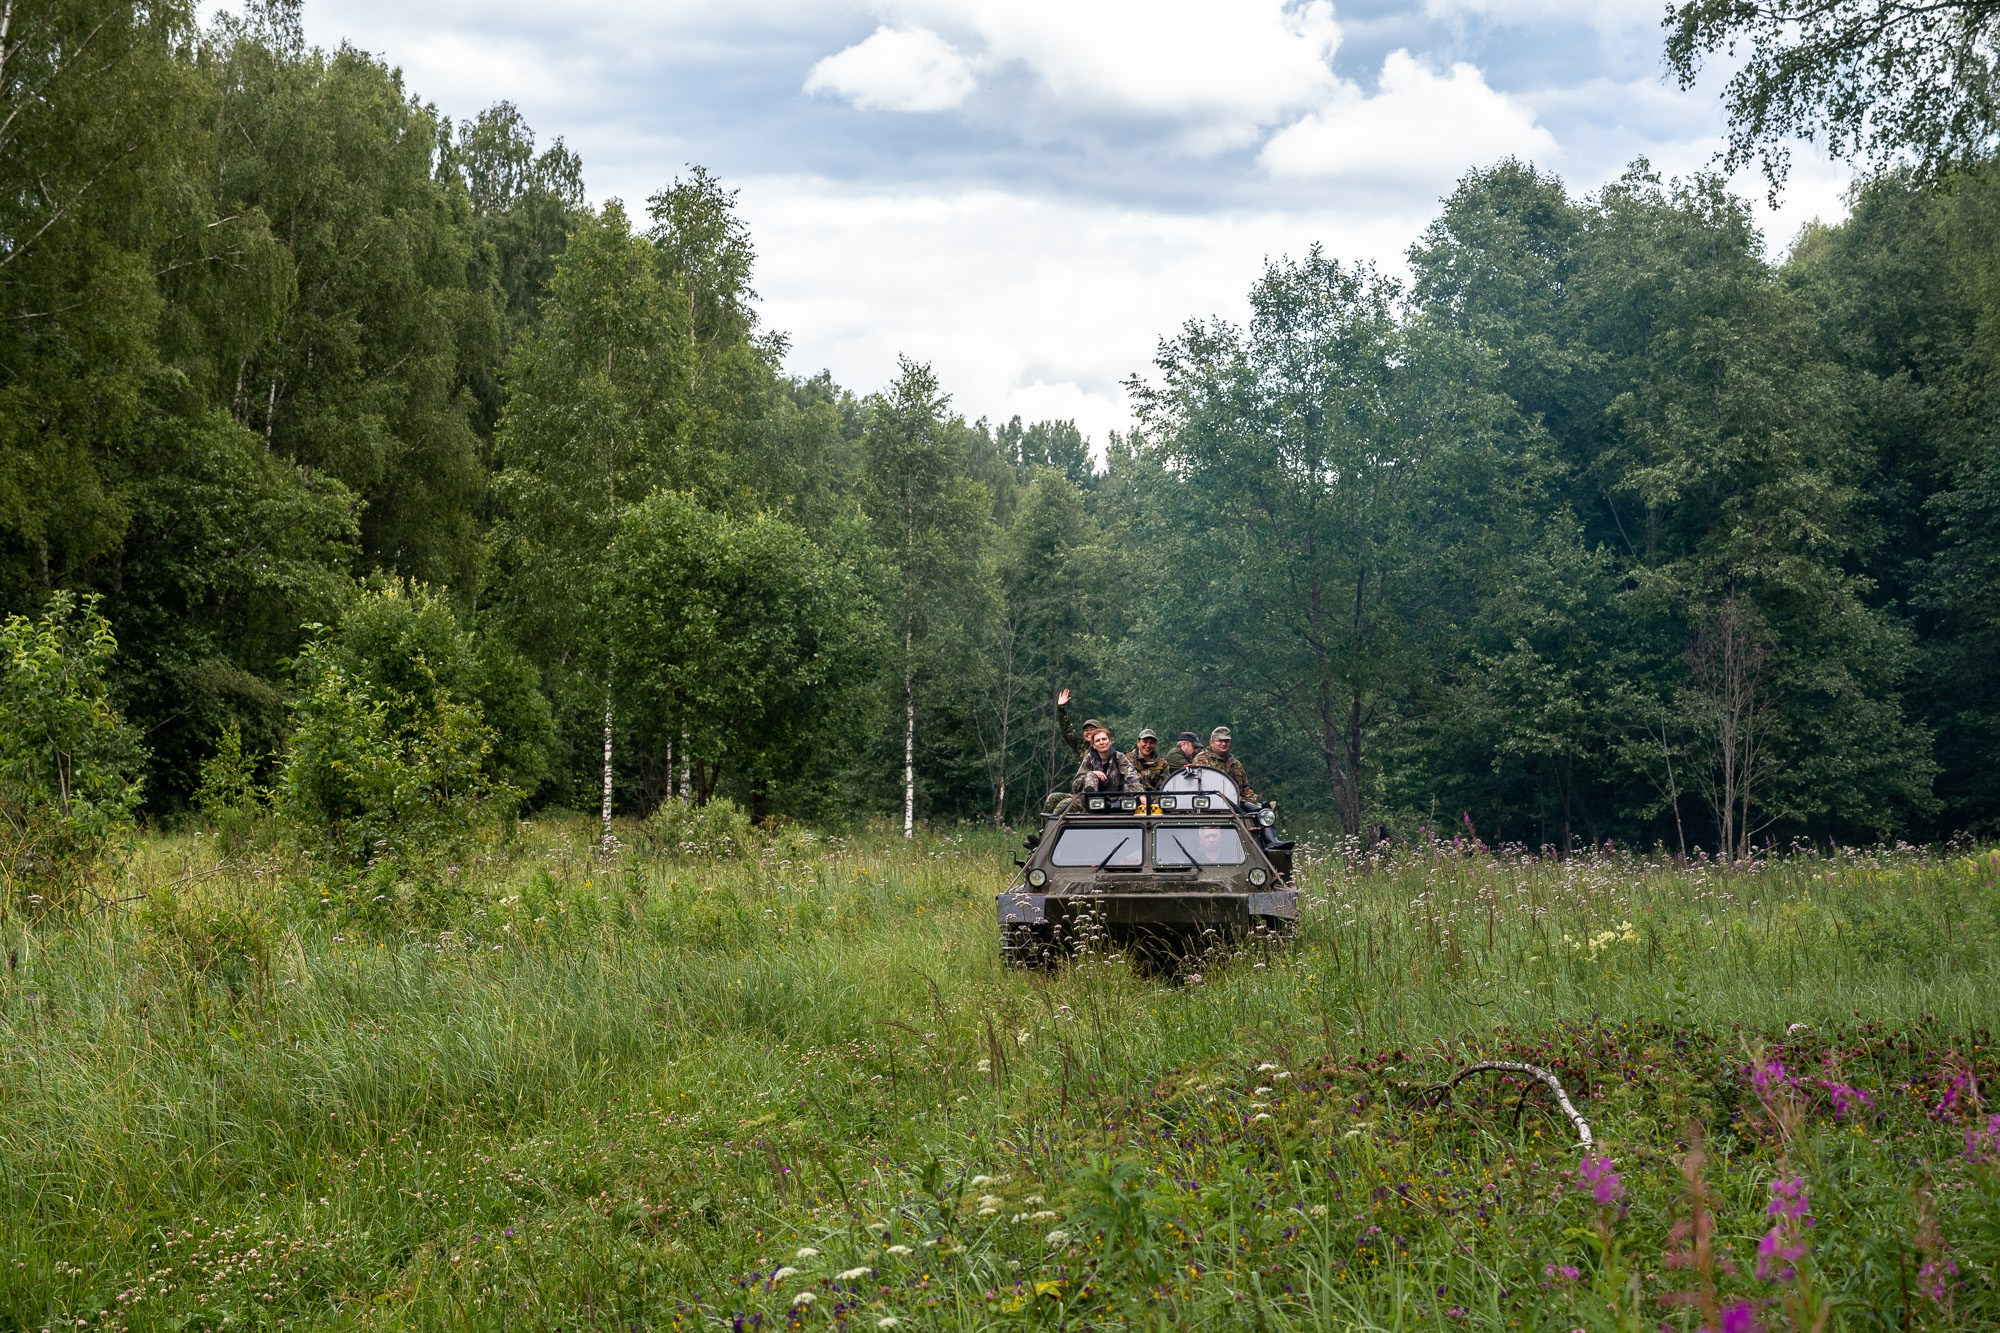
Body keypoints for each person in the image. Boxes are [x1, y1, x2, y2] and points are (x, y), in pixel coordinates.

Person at [1072, 720, 1142, 795]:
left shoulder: (1119, 757)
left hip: (1118, 798)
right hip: (1092, 801)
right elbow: (1075, 786)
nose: (1102, 742)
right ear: (1094, 745)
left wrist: (1141, 795)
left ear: (1110, 741)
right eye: (1098, 741)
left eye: (1104, 739)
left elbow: (1132, 777)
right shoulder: (1089, 758)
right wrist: (1092, 773)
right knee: (1061, 801)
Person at [1190, 726, 1257, 802]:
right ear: (1211, 742)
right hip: (1211, 805)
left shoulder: (1235, 764)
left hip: (1237, 806)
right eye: (1220, 741)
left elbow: (1246, 788)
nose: (1224, 743)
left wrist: (1251, 803)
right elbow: (1201, 785)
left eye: (1226, 741)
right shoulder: (1202, 759)